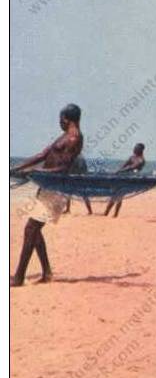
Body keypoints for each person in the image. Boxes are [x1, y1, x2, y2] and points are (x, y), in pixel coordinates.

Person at [10, 104, 85, 287]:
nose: (59, 122)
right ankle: (47, 272)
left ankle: (19, 277)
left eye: (60, 119)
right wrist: (16, 168)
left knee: (31, 229)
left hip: (56, 188)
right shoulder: (64, 136)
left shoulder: (74, 138)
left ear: (66, 118)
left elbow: (64, 168)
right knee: (33, 229)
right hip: (47, 186)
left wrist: (35, 173)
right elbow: (43, 155)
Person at [104, 143, 146, 217]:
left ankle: (113, 214)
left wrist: (121, 171)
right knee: (116, 195)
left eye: (136, 148)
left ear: (140, 150)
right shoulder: (132, 157)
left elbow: (132, 167)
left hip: (130, 179)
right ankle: (108, 213)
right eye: (134, 148)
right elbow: (124, 165)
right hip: (123, 177)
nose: (134, 149)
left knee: (119, 195)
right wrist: (118, 172)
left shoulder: (141, 160)